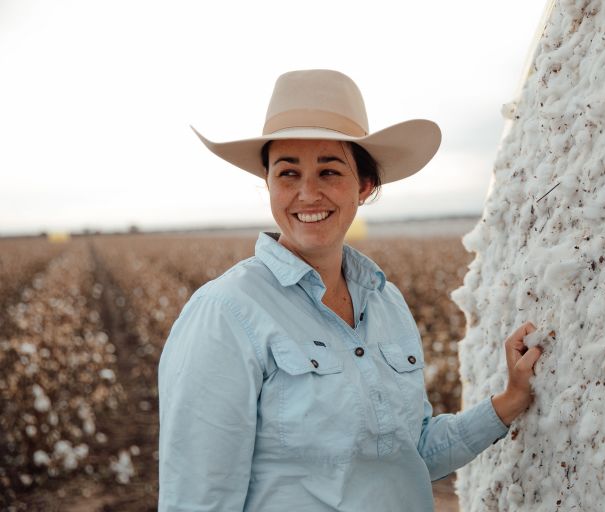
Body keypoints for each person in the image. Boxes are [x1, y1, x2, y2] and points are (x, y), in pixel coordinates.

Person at [158, 69, 542, 511]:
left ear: (364, 186)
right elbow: (197, 500)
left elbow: (409, 454)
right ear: (267, 184)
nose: (307, 193)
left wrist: (508, 401)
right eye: (287, 173)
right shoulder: (225, 313)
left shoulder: (386, 302)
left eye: (329, 171)